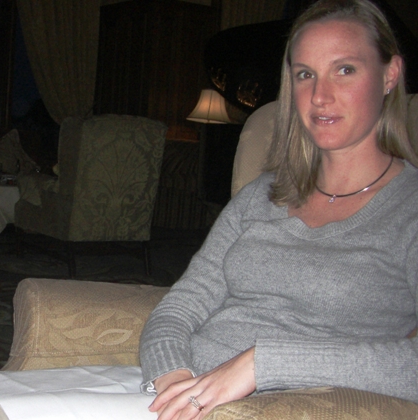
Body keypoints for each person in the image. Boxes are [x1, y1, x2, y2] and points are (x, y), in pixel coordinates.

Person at [139, 0, 418, 419]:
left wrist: (262, 364)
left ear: (389, 75)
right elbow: (181, 306)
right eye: (305, 74)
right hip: (175, 395)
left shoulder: (410, 208)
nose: (320, 96)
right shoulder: (262, 195)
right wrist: (175, 381)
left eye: (344, 69)